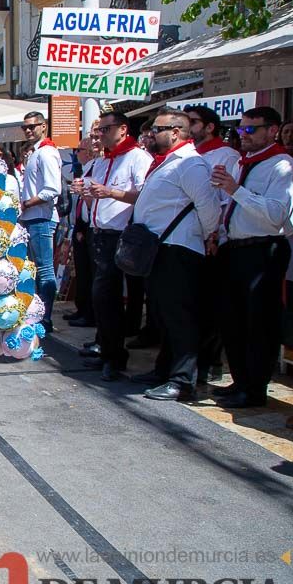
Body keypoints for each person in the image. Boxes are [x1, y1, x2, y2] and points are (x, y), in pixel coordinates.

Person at [128, 111, 220, 400]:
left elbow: (209, 207)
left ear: (177, 132)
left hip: (178, 249)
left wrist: (208, 237)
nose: (150, 134)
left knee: (180, 317)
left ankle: (182, 380)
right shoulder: (169, 162)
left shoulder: (190, 163)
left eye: (157, 129)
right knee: (164, 315)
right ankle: (164, 369)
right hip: (160, 249)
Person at [209, 107, 293, 409]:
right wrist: (219, 230)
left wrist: (236, 190)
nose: (243, 136)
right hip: (235, 249)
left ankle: (255, 387)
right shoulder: (244, 164)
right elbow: (230, 208)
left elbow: (274, 216)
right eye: (240, 130)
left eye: (250, 130)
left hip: (263, 250)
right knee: (232, 321)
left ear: (272, 130)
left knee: (259, 323)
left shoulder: (281, 165)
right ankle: (241, 380)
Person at [76, 112, 152, 381]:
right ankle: (107, 350)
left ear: (122, 129)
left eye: (105, 129)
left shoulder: (138, 158)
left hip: (121, 235)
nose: (100, 134)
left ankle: (115, 356)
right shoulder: (103, 160)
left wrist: (111, 193)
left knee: (108, 297)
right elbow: (95, 196)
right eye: (98, 130)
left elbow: (146, 195)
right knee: (102, 299)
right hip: (100, 234)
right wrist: (86, 193)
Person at [186, 106, 240, 383]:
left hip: (214, 239)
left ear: (209, 127)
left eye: (193, 122)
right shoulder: (189, 155)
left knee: (210, 304)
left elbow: (226, 200)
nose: (188, 127)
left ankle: (210, 361)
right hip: (190, 238)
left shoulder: (227, 156)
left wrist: (215, 233)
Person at [19, 111, 62, 330]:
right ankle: (38, 313)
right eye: (24, 127)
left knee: (44, 269)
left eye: (32, 126)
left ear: (43, 126)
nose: (28, 130)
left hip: (41, 217)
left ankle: (45, 316)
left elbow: (52, 189)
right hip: (32, 217)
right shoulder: (35, 153)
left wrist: (26, 203)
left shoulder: (46, 153)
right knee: (35, 269)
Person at [63, 136, 98, 327]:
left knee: (91, 273)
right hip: (82, 223)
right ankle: (82, 308)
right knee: (82, 271)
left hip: (91, 225)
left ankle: (89, 313)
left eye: (79, 150)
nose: (76, 154)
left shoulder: (96, 167)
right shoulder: (84, 170)